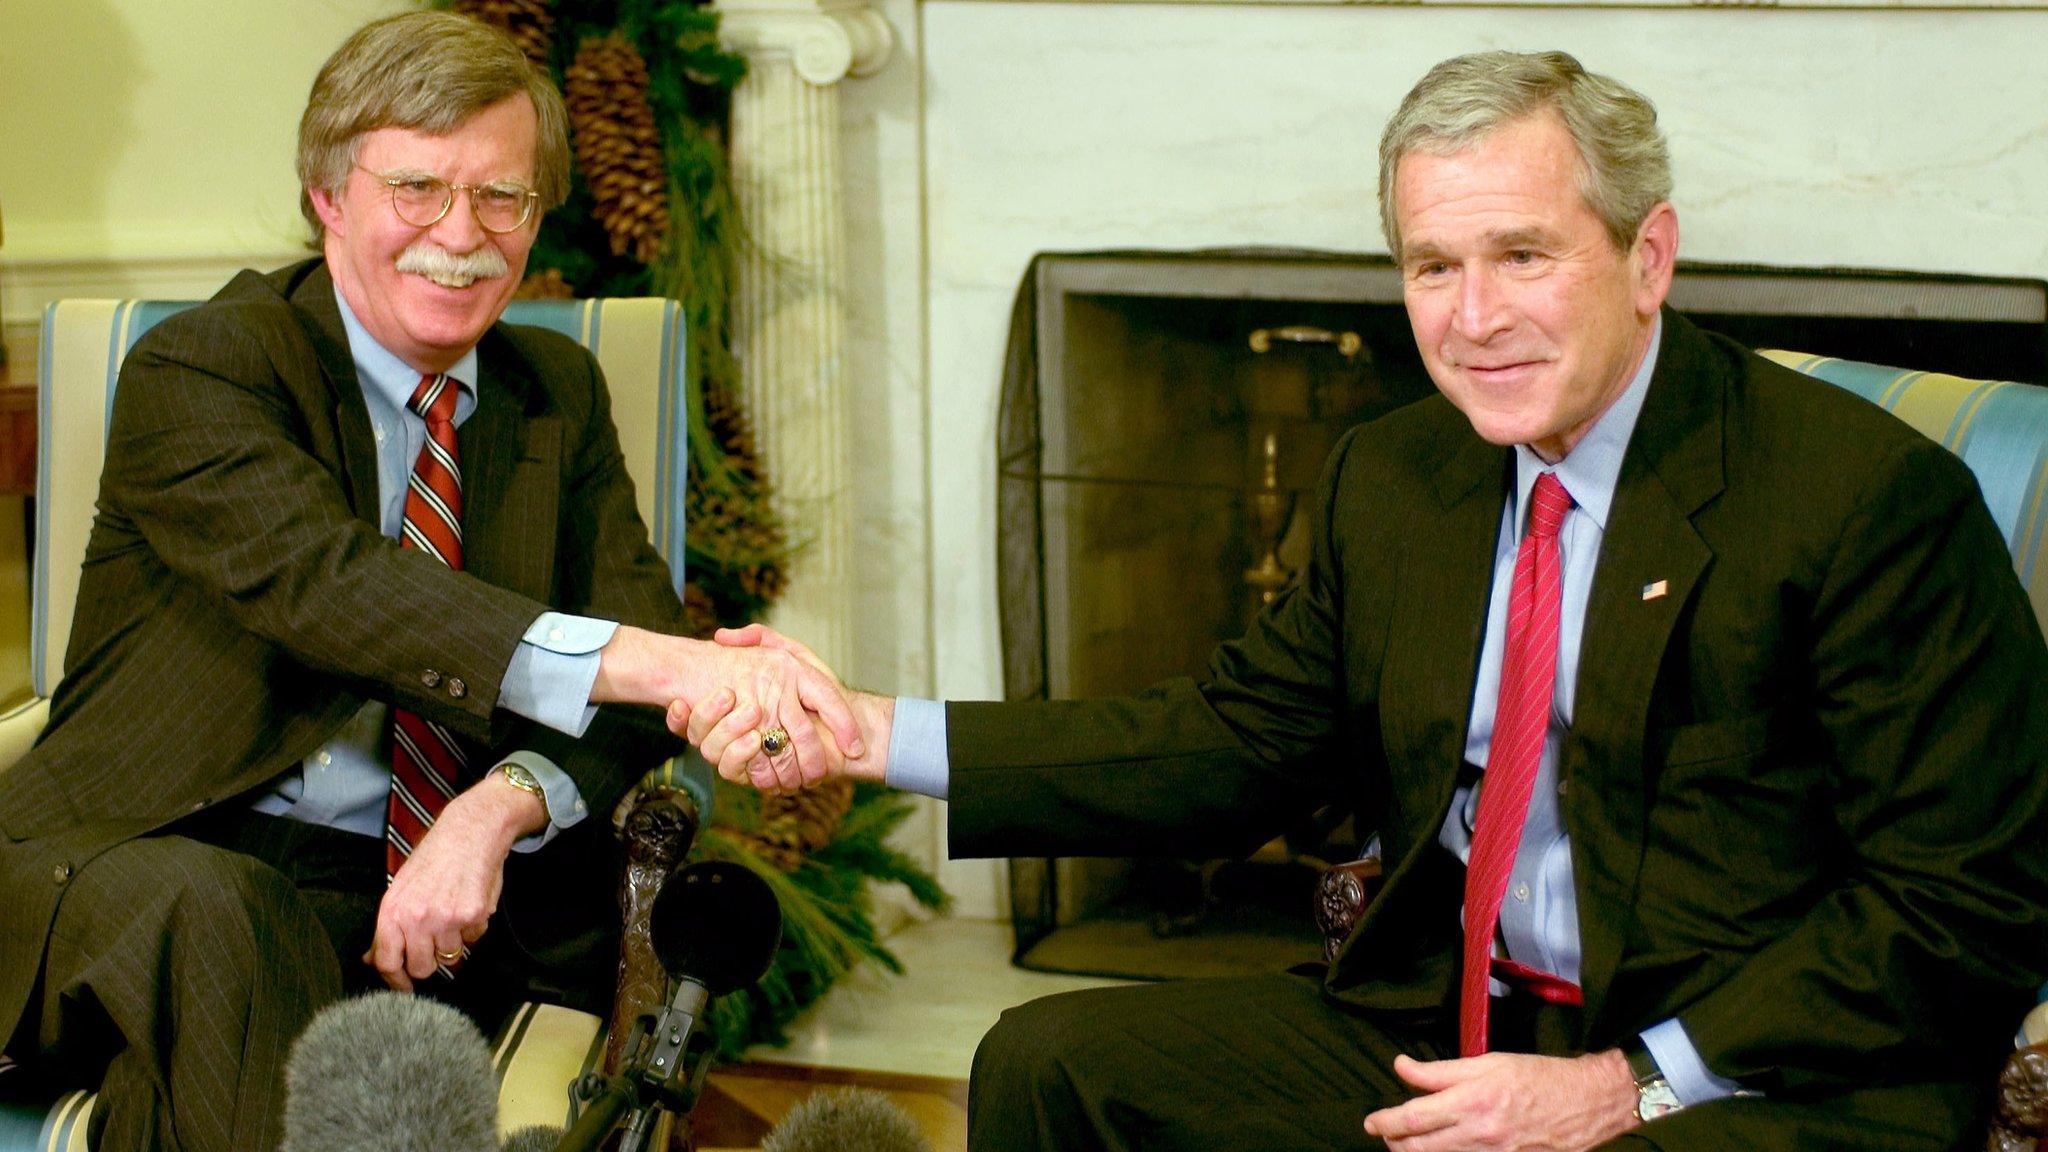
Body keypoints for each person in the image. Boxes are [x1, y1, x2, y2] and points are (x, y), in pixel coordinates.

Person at [680, 50, 2048, 1151]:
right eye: (1431, 266)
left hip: (1765, 1069)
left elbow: (1957, 908)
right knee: (1051, 1064)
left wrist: (1628, 1085)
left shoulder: (1864, 500)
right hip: (1455, 1022)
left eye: (1523, 255)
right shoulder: (1398, 476)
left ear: (1648, 257)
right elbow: (1226, 743)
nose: (1473, 316)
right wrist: (872, 733)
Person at [0, 13, 856, 1152]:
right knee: (230, 928)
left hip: (445, 903)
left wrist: (495, 810)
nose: (461, 236)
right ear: (327, 196)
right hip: (160, 858)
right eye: (416, 188)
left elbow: (634, 689)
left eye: (502, 197)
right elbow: (336, 586)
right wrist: (669, 661)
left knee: (203, 1078)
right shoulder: (207, 366)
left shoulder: (554, 392)